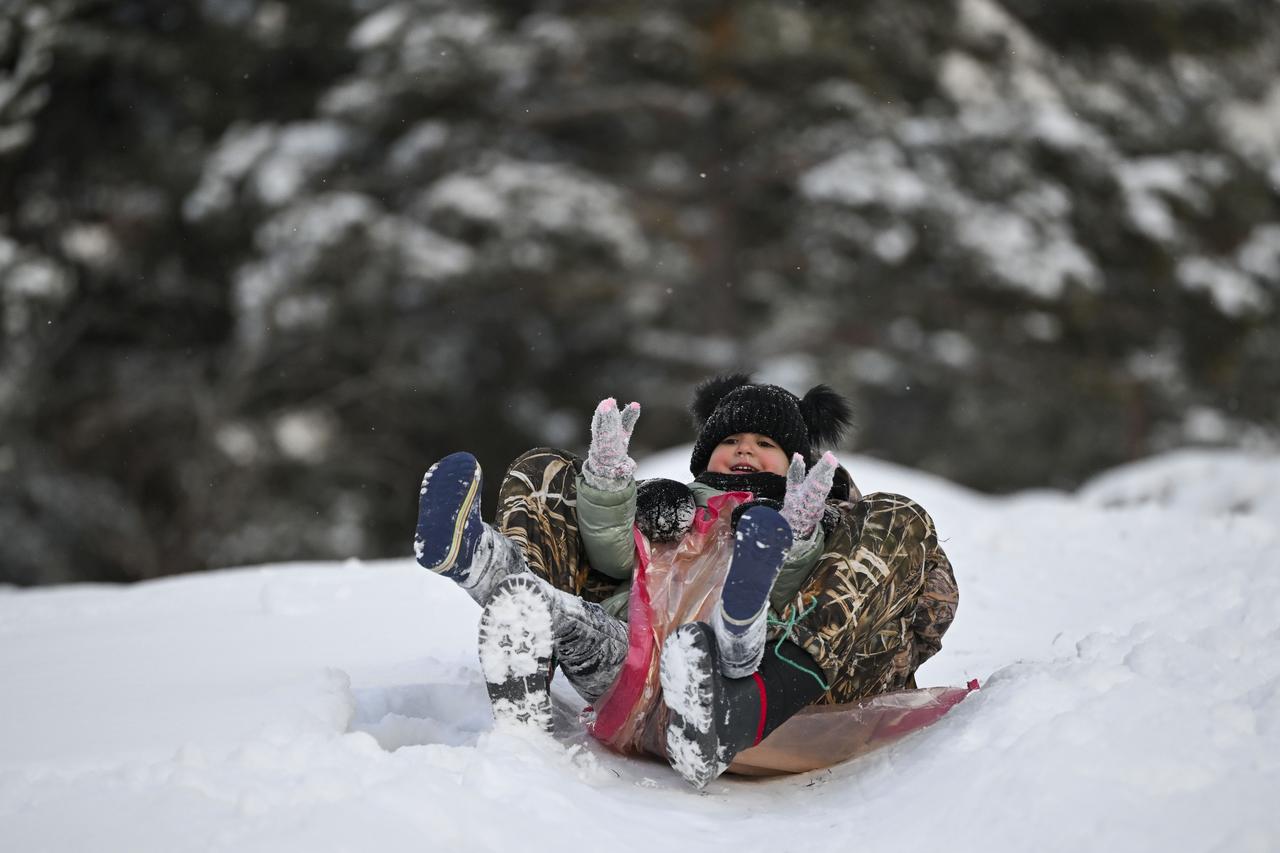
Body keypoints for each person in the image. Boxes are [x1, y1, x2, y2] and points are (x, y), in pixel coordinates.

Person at [414, 373, 958, 788]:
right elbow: (607, 558)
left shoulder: (831, 520)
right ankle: (495, 576)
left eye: (765, 444)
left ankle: (742, 697)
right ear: (705, 454)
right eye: (733, 439)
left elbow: (804, 588)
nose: (746, 449)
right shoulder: (673, 505)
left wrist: (796, 527)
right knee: (555, 508)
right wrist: (609, 483)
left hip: (774, 689)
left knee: (883, 524)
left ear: (797, 462)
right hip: (640, 668)